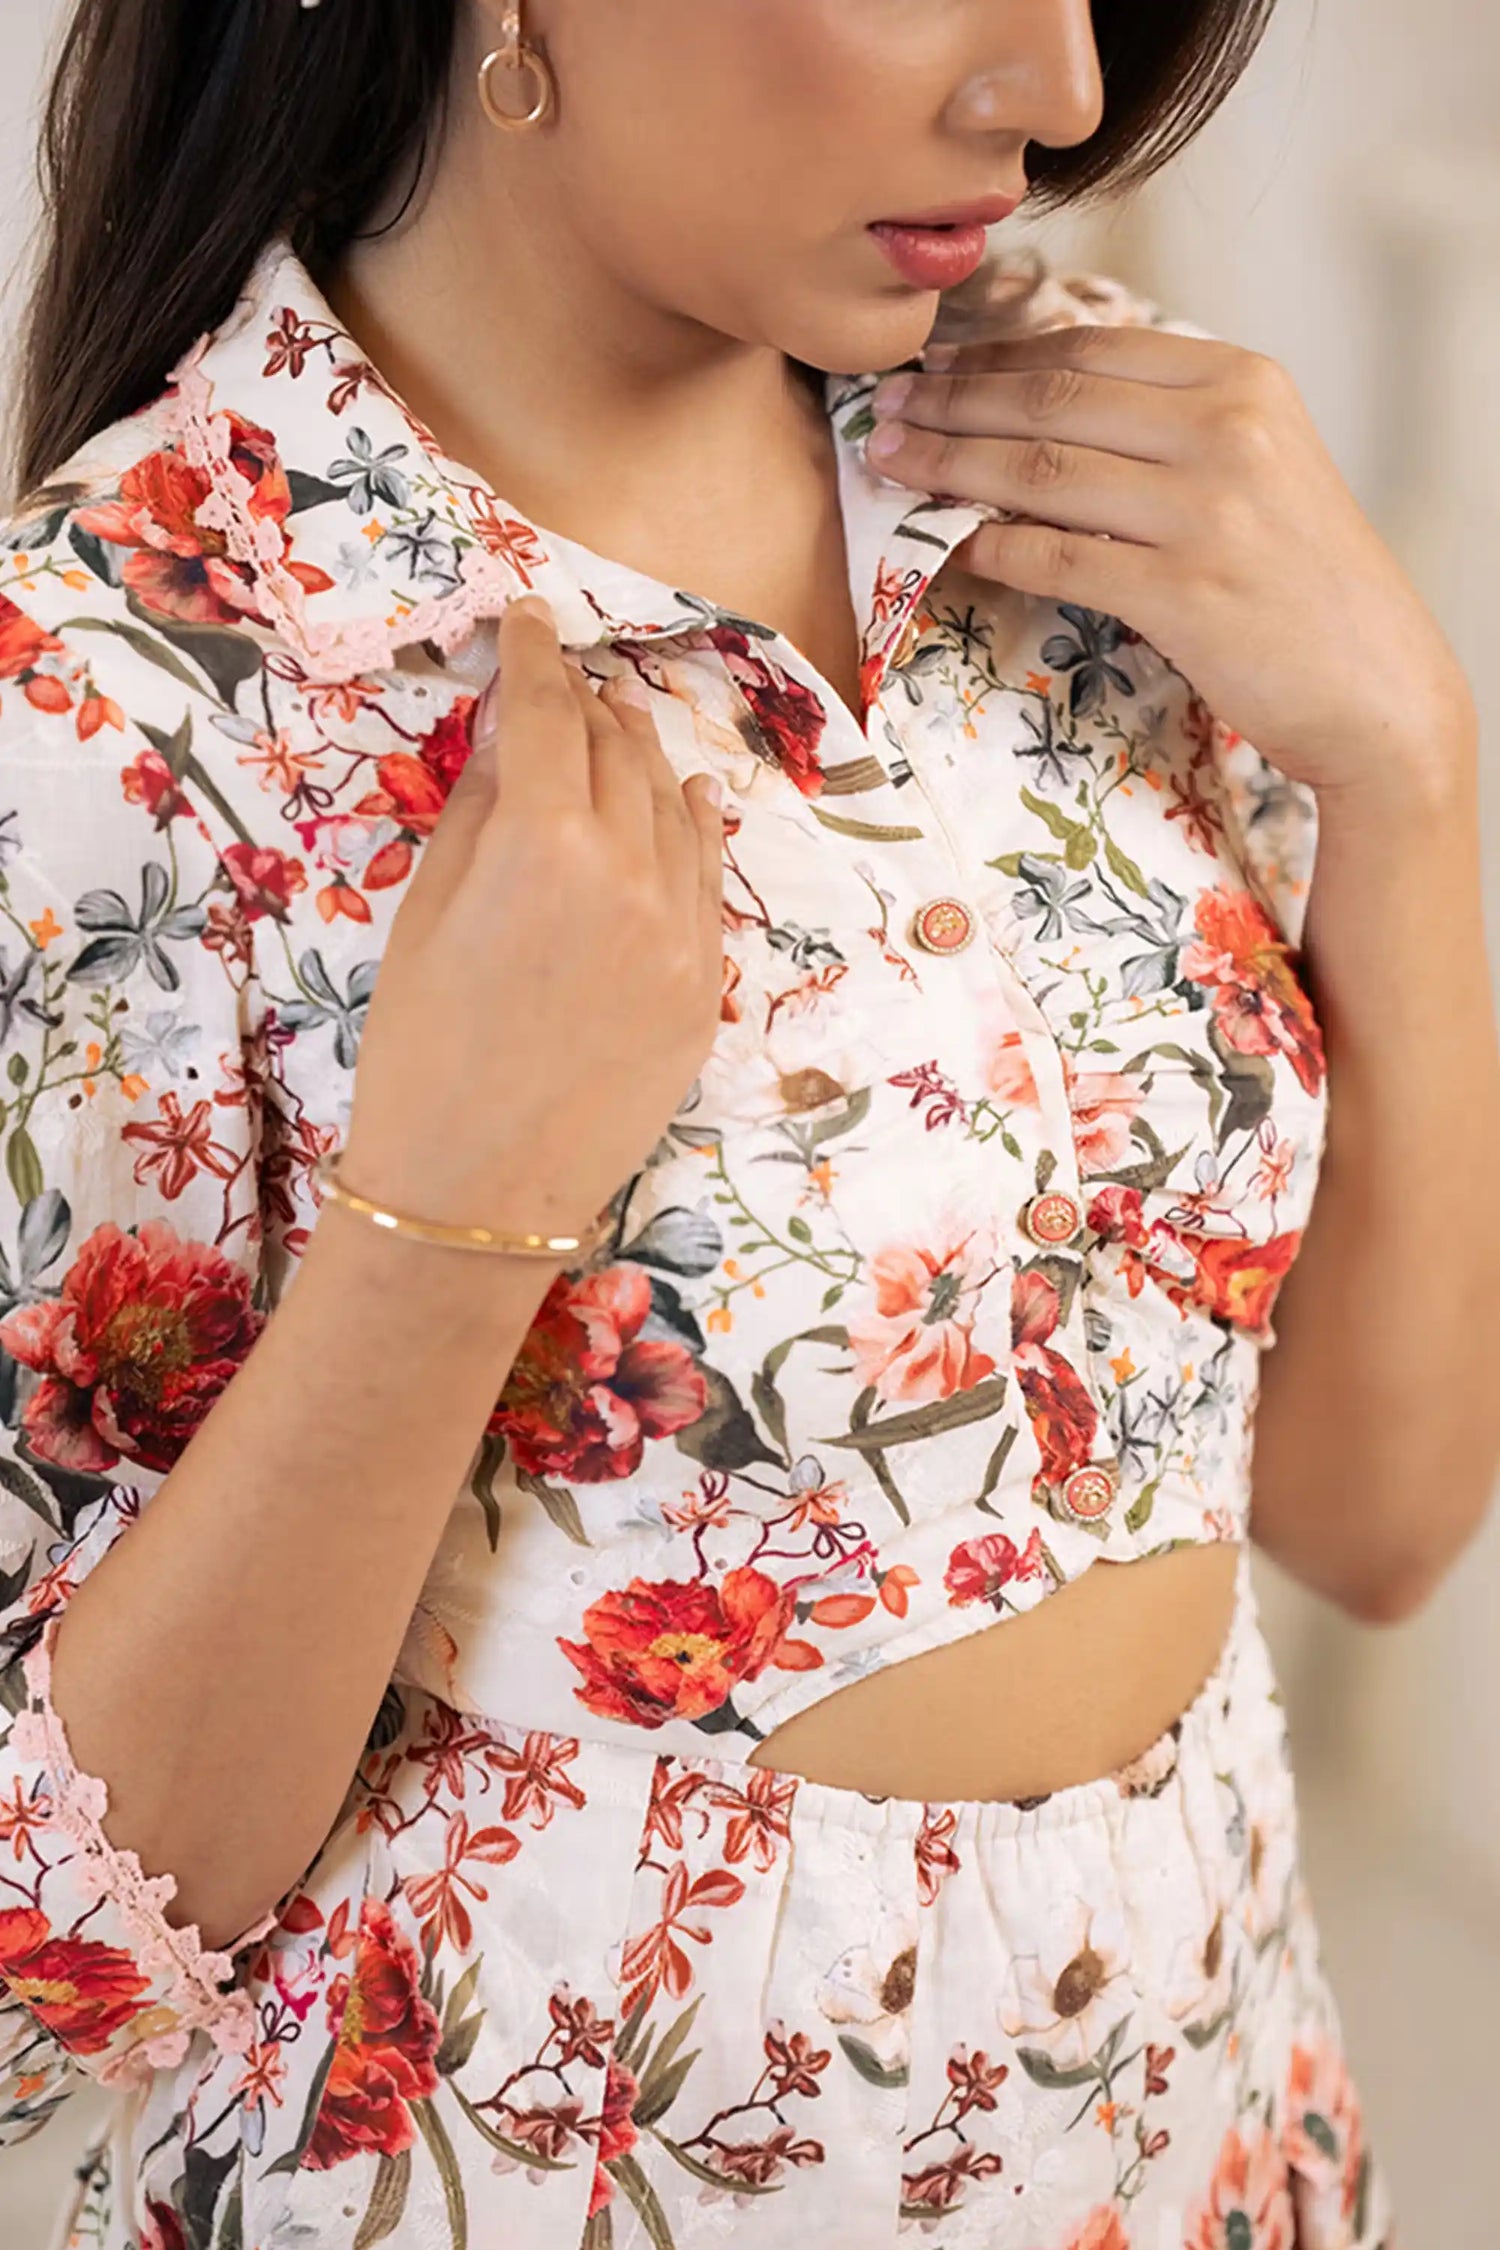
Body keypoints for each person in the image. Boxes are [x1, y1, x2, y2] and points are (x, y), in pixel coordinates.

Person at [0, 1, 1495, 2244]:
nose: (1065, 89)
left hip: (1214, 2128)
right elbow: (51, 1968)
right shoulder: (121, 688)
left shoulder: (1097, 464)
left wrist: (1410, 777)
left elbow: (1376, 1529)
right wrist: (445, 1229)